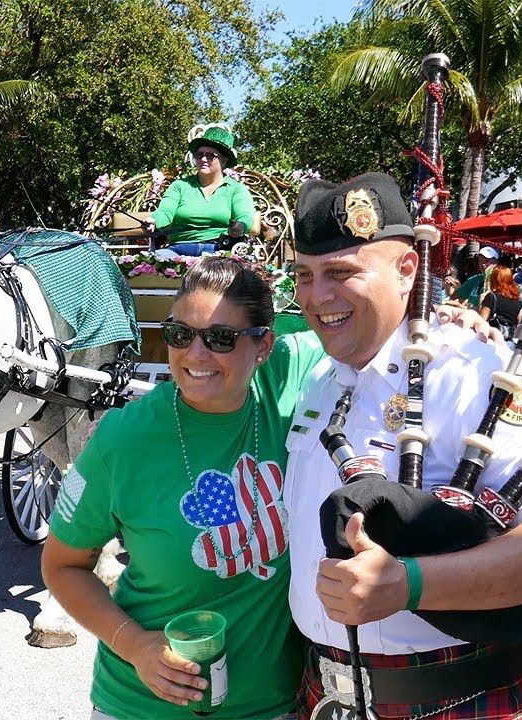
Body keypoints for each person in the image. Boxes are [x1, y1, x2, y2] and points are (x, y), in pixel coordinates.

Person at [288, 172, 522, 719]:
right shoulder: (320, 375)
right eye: (305, 275)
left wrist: (409, 584)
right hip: (329, 695)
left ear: (407, 269)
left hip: (465, 696)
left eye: (342, 272)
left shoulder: (474, 371)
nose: (318, 296)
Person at [43, 256, 325, 719]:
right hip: (140, 707)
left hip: (273, 708)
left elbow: (361, 326)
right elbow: (62, 566)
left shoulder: (288, 380)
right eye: (179, 334)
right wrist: (134, 646)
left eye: (220, 338)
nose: (195, 354)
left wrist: (454, 323)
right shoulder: (125, 437)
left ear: (264, 346)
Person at [143, 125, 255, 257]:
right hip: (178, 250)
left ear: (224, 159)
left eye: (210, 156)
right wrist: (154, 221)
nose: (203, 159)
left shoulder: (236, 189)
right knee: (156, 261)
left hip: (219, 251)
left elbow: (244, 216)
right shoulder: (179, 186)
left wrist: (240, 226)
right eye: (199, 154)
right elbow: (165, 212)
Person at [480, 263, 522, 339]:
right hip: (509, 340)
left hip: (492, 338)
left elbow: (481, 320)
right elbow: (520, 322)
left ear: (494, 279)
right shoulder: (518, 300)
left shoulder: (491, 296)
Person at [452, 244, 500, 309]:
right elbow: (455, 296)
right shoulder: (475, 280)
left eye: (487, 261)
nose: (483, 264)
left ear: (496, 262)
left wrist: (464, 307)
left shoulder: (502, 281)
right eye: (480, 261)